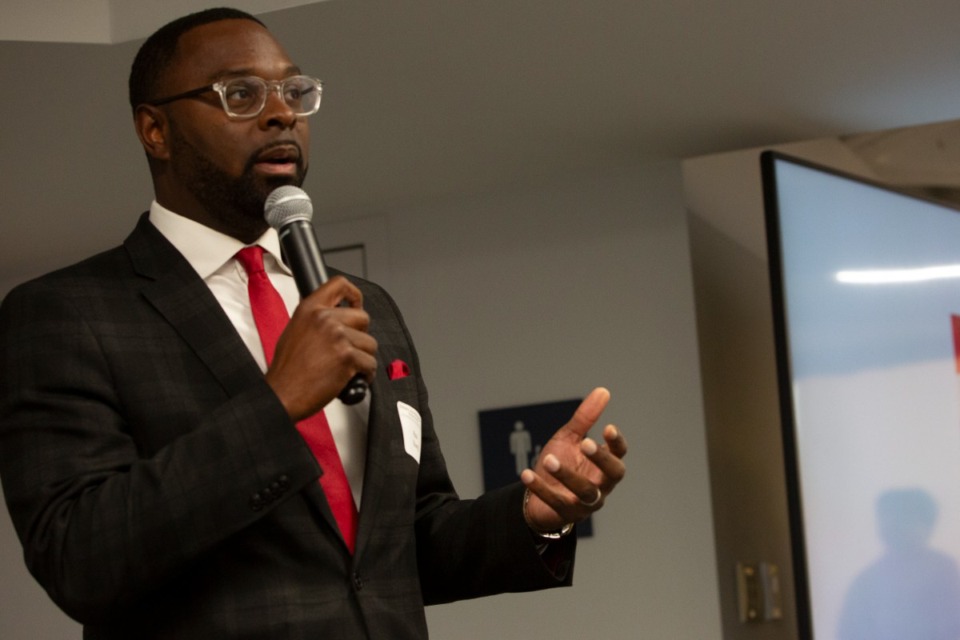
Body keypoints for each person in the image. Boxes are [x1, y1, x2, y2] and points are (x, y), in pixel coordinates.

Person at [0, 8, 627, 639]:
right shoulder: (67, 312)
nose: (281, 114)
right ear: (154, 129)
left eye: (294, 92)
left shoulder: (365, 305)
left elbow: (404, 542)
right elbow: (78, 557)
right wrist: (278, 403)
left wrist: (535, 514)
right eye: (241, 94)